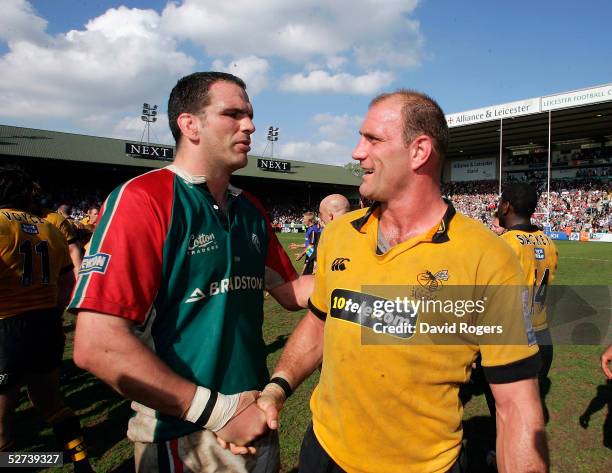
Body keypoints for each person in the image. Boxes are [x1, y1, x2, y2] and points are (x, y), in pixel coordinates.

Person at [257, 90, 548, 473]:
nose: (357, 152)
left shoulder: (487, 259)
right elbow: (319, 322)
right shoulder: (340, 235)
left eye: (373, 139)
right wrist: (278, 387)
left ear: (419, 151)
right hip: (322, 452)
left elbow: (515, 405)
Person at [69, 72, 312, 473]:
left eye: (250, 115)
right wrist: (219, 412)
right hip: (183, 434)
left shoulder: (249, 207)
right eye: (233, 114)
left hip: (255, 418)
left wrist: (368, 277)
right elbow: (97, 345)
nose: (249, 125)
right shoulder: (144, 199)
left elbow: (290, 291)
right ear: (190, 124)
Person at [0, 166, 93, 472]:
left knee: (2, 425)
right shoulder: (50, 228)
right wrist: (50, 315)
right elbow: (67, 285)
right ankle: (80, 463)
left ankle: (23, 462)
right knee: (52, 403)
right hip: (45, 325)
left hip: (6, 329)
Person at [498, 182, 558, 420]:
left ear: (506, 207)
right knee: (527, 409)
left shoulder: (505, 244)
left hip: (514, 339)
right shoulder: (548, 242)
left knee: (506, 415)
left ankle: (499, 455)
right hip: (543, 336)